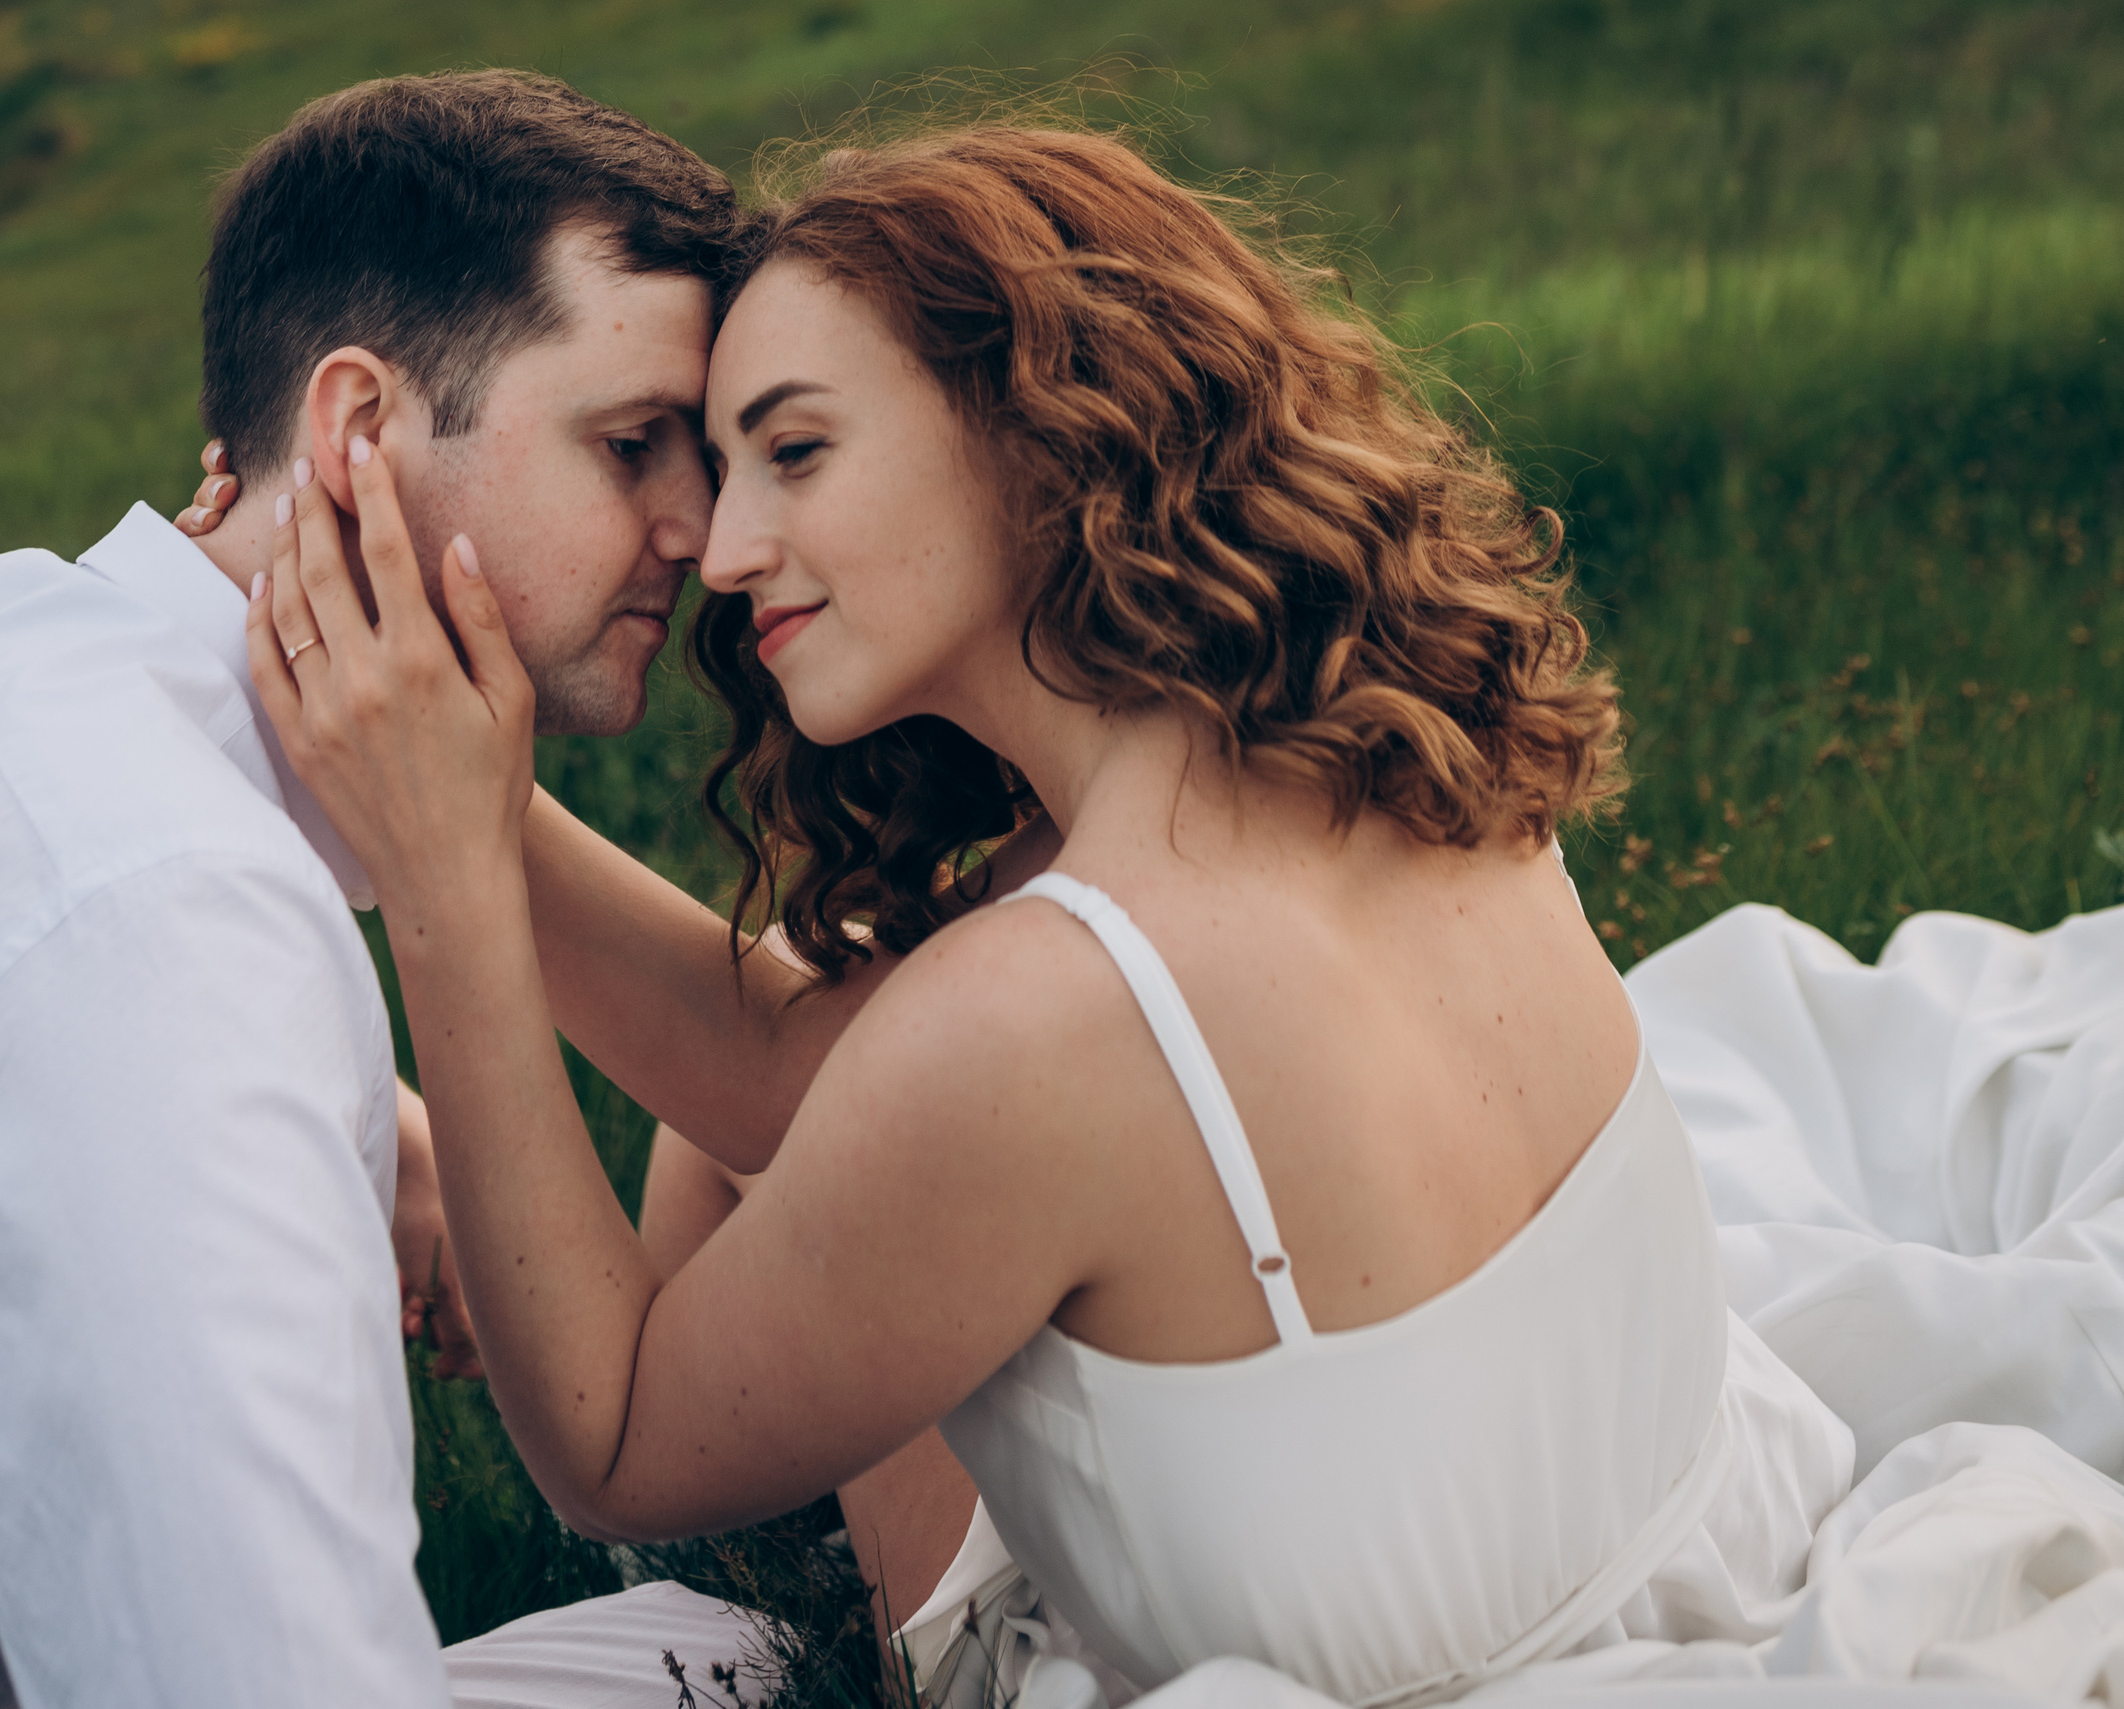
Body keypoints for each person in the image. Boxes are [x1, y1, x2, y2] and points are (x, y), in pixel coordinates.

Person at [240, 123, 1869, 1707]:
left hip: (1342, 1659)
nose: (726, 549)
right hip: (1634, 1535)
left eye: (793, 451)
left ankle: (790, 1592)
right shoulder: (1373, 734)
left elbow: (610, 1443)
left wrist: (447, 880)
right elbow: (808, 1074)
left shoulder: (1050, 1012)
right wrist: (468, 778)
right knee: (778, 1080)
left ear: (1034, 432)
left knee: (789, 1146)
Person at [0, 70, 768, 1709]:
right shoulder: (169, 933)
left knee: (720, 1650)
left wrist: (371, 1126)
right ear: (355, 431)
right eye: (633, 445)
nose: (700, 527)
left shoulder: (9, 638)